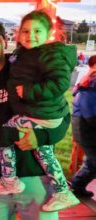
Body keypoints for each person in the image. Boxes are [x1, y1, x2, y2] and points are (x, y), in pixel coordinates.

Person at [0, 20, 71, 219]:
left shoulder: (29, 72)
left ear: (4, 41)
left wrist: (41, 138)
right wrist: (13, 133)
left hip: (35, 175)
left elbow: (62, 117)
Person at [0, 10, 79, 211]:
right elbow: (17, 64)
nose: (30, 35)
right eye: (25, 31)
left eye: (37, 31)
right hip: (41, 113)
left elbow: (60, 82)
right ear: (19, 33)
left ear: (48, 32)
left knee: (5, 134)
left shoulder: (50, 54)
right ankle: (62, 191)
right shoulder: (27, 53)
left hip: (42, 115)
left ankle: (9, 179)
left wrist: (29, 91)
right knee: (45, 154)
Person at [70, 55, 96, 198]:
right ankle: (76, 185)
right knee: (93, 161)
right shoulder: (88, 89)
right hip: (85, 128)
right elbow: (90, 116)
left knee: (92, 161)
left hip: (88, 126)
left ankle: (77, 185)